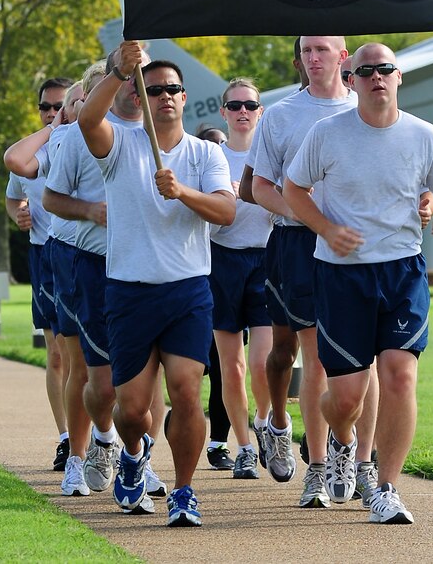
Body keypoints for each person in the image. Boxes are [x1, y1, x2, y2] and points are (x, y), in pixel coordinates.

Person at [283, 42, 433, 525]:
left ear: (398, 76)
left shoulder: (423, 134)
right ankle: (339, 441)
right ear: (351, 77)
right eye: (366, 71)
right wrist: (325, 229)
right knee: (346, 401)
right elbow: (292, 189)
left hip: (402, 269)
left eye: (385, 69)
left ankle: (386, 487)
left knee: (400, 373)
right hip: (341, 276)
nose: (377, 77)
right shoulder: (328, 133)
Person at [77, 41, 235, 528]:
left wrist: (182, 191)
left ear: (185, 98)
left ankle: (185, 492)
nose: (165, 95)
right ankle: (132, 451)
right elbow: (86, 122)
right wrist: (117, 73)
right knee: (131, 409)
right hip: (128, 290)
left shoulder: (207, 153)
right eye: (155, 88)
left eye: (173, 89)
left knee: (187, 392)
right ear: (137, 93)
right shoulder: (120, 145)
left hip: (187, 290)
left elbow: (227, 212)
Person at [43, 49, 166, 507]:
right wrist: (91, 211)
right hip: (91, 265)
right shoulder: (80, 136)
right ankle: (93, 443)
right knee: (96, 378)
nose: (140, 88)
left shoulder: (164, 134)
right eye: (132, 78)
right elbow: (53, 200)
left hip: (148, 269)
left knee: (147, 375)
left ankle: (140, 459)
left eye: (147, 81)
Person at [250, 36, 367, 510]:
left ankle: (329, 464)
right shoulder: (280, 115)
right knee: (284, 352)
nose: (314, 58)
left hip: (352, 244)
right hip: (295, 243)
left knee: (337, 358)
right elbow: (258, 186)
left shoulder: (366, 105)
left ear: (343, 58)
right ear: (299, 59)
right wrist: (302, 213)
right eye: (307, 51)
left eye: (323, 50)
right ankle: (278, 422)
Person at [4, 76, 73, 471]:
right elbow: (14, 195)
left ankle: (100, 436)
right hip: (43, 254)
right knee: (58, 353)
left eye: (58, 106)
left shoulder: (87, 141)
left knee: (87, 354)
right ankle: (66, 437)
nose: (52, 113)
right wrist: (20, 216)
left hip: (79, 254)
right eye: (46, 107)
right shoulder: (33, 148)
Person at [209, 78, 273, 480]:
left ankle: (266, 422)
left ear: (260, 111)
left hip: (266, 259)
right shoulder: (210, 157)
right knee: (231, 368)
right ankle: (244, 446)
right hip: (222, 261)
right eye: (235, 106)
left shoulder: (272, 156)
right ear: (224, 112)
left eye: (250, 105)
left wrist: (255, 192)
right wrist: (224, 198)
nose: (242, 112)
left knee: (263, 361)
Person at [195, 124, 234, 471]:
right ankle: (182, 424)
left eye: (222, 144)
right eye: (210, 145)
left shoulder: (227, 184)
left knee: (223, 370)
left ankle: (218, 443)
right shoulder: (189, 181)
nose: (217, 150)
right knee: (192, 371)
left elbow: (225, 223)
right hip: (190, 285)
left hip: (225, 285)